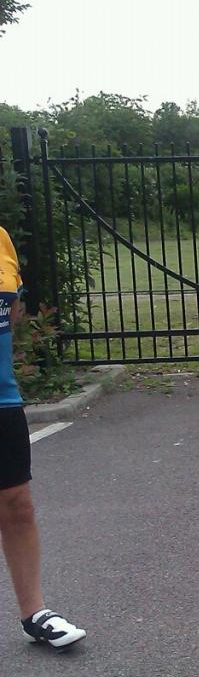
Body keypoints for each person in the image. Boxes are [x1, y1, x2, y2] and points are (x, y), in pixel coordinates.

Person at [0, 223, 86, 649]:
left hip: (2, 400)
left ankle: (34, 613)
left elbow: (10, 312)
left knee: (18, 507)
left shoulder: (0, 240)